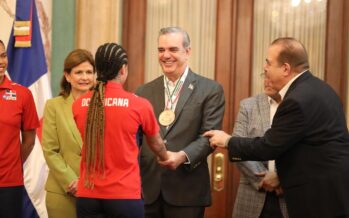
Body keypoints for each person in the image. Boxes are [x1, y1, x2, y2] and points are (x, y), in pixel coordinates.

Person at [204, 37, 349, 218]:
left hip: (317, 198)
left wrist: (227, 141)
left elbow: (268, 147)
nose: (264, 67)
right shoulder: (321, 89)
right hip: (330, 192)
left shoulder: (296, 100)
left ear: (286, 69)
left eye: (269, 62)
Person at [136, 26, 225, 218]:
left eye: (173, 49)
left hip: (187, 191)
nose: (166, 55)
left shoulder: (210, 89)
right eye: (161, 50)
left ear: (188, 51)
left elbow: (209, 136)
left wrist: (182, 156)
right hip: (146, 190)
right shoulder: (143, 92)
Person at [72, 42, 169, 218]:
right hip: (124, 196)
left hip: (87, 195)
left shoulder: (79, 104)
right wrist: (166, 157)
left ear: (97, 69)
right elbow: (156, 143)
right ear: (123, 69)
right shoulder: (139, 105)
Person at [42, 49, 96, 218]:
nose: (85, 77)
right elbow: (50, 150)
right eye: (78, 72)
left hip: (97, 190)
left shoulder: (104, 105)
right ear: (67, 76)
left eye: (89, 72)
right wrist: (71, 181)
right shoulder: (54, 106)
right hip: (62, 192)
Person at [232, 75, 288, 218]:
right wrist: (264, 179)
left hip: (289, 195)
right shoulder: (248, 105)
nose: (267, 81)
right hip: (252, 194)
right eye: (265, 76)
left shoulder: (297, 105)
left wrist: (282, 177)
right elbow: (238, 147)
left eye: (272, 77)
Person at [0, 39, 39, 218]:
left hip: (9, 183)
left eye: (3, 55)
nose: (1, 62)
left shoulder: (23, 94)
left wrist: (14, 163)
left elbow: (30, 140)